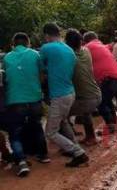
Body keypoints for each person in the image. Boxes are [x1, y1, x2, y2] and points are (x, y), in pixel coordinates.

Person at [40, 23, 88, 167]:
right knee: (62, 122)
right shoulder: (69, 50)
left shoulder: (46, 48)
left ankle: (78, 152)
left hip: (59, 95)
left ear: (47, 35)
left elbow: (40, 70)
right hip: (70, 93)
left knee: (50, 132)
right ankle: (72, 148)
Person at [3, 33, 49, 177]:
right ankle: (43, 155)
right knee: (37, 126)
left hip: (15, 100)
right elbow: (43, 74)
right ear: (28, 43)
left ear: (13, 44)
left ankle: (22, 162)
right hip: (34, 97)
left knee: (15, 132)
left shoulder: (7, 57)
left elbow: (5, 79)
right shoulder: (35, 55)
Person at [83, 31, 117, 129]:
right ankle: (113, 122)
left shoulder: (87, 47)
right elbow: (111, 46)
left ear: (85, 40)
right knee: (107, 100)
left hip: (108, 77)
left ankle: (111, 124)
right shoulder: (102, 45)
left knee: (100, 102)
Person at [65, 29, 102, 146]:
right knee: (85, 111)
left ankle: (70, 145)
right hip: (96, 94)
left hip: (86, 100)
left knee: (61, 114)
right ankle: (91, 137)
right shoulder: (86, 51)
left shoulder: (68, 56)